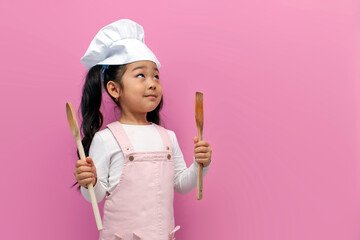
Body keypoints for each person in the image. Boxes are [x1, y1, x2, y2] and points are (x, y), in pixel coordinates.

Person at [73, 19, 212, 240]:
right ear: (114, 89)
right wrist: (88, 180)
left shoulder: (168, 137)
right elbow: (95, 196)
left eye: (156, 75)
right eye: (141, 75)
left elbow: (182, 185)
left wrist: (200, 165)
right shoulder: (106, 139)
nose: (152, 83)